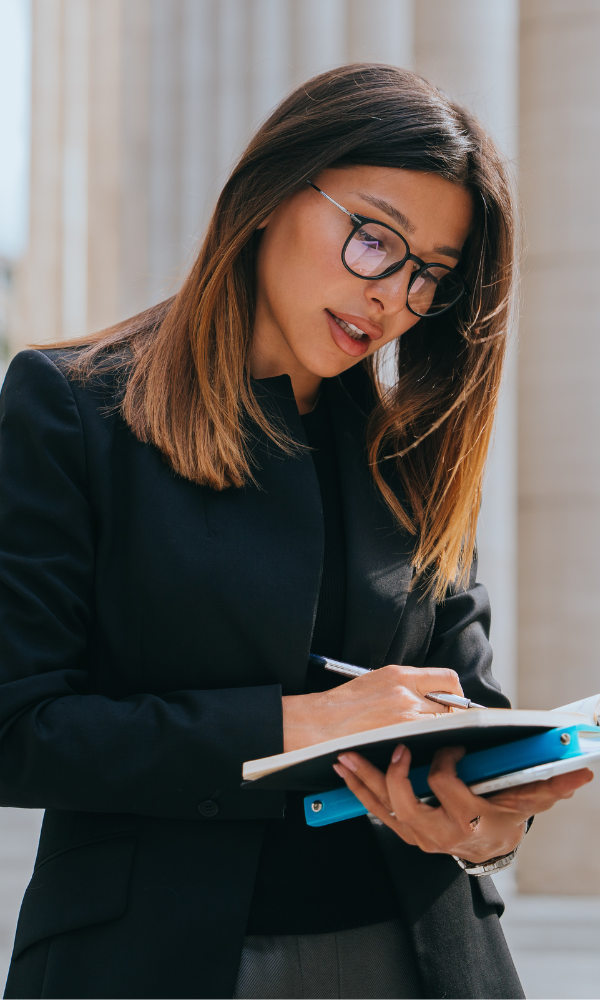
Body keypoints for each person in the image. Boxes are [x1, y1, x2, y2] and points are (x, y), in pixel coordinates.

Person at [0, 64, 591, 1000]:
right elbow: (19, 729)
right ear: (273, 191)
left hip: (421, 959)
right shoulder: (73, 409)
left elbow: (461, 703)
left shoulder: (416, 449)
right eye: (373, 239)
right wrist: (299, 726)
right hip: (158, 961)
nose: (392, 296)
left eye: (429, 274)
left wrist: (488, 824)